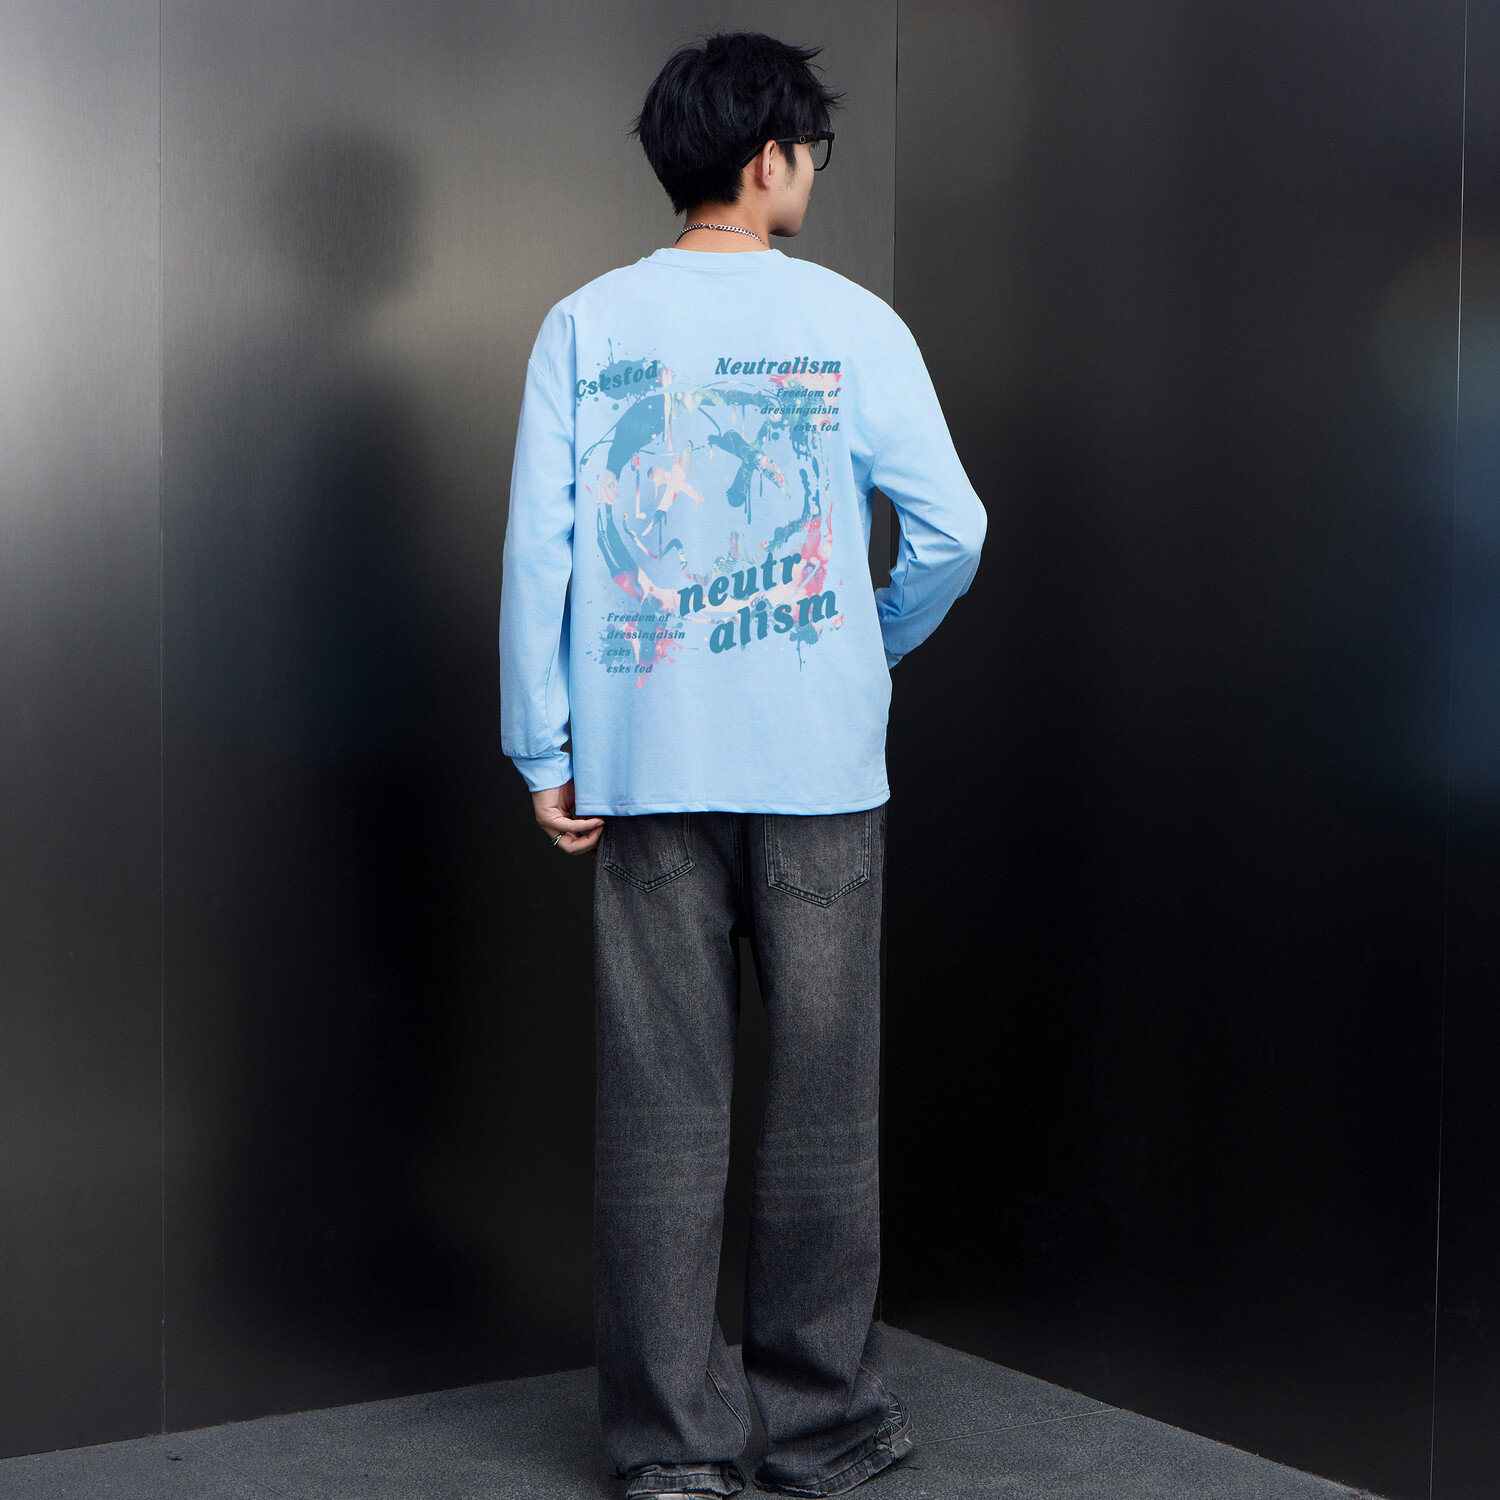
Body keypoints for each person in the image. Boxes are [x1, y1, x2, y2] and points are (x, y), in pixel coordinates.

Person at [498, 32, 985, 1499]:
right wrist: (869, 641)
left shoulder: (586, 323)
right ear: (769, 157)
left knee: (662, 1104)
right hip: (820, 769)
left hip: (645, 769)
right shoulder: (851, 321)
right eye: (809, 153)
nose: (812, 175)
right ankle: (827, 1426)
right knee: (823, 1105)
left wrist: (543, 744)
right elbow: (953, 530)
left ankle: (673, 1451)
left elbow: (541, 552)